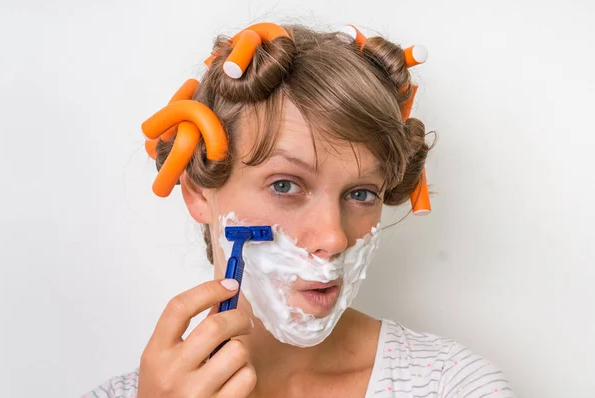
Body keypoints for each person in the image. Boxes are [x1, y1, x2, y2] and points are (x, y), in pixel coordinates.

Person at [83, 22, 515, 398]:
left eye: (362, 193)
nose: (333, 238)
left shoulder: (452, 386)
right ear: (198, 194)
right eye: (285, 185)